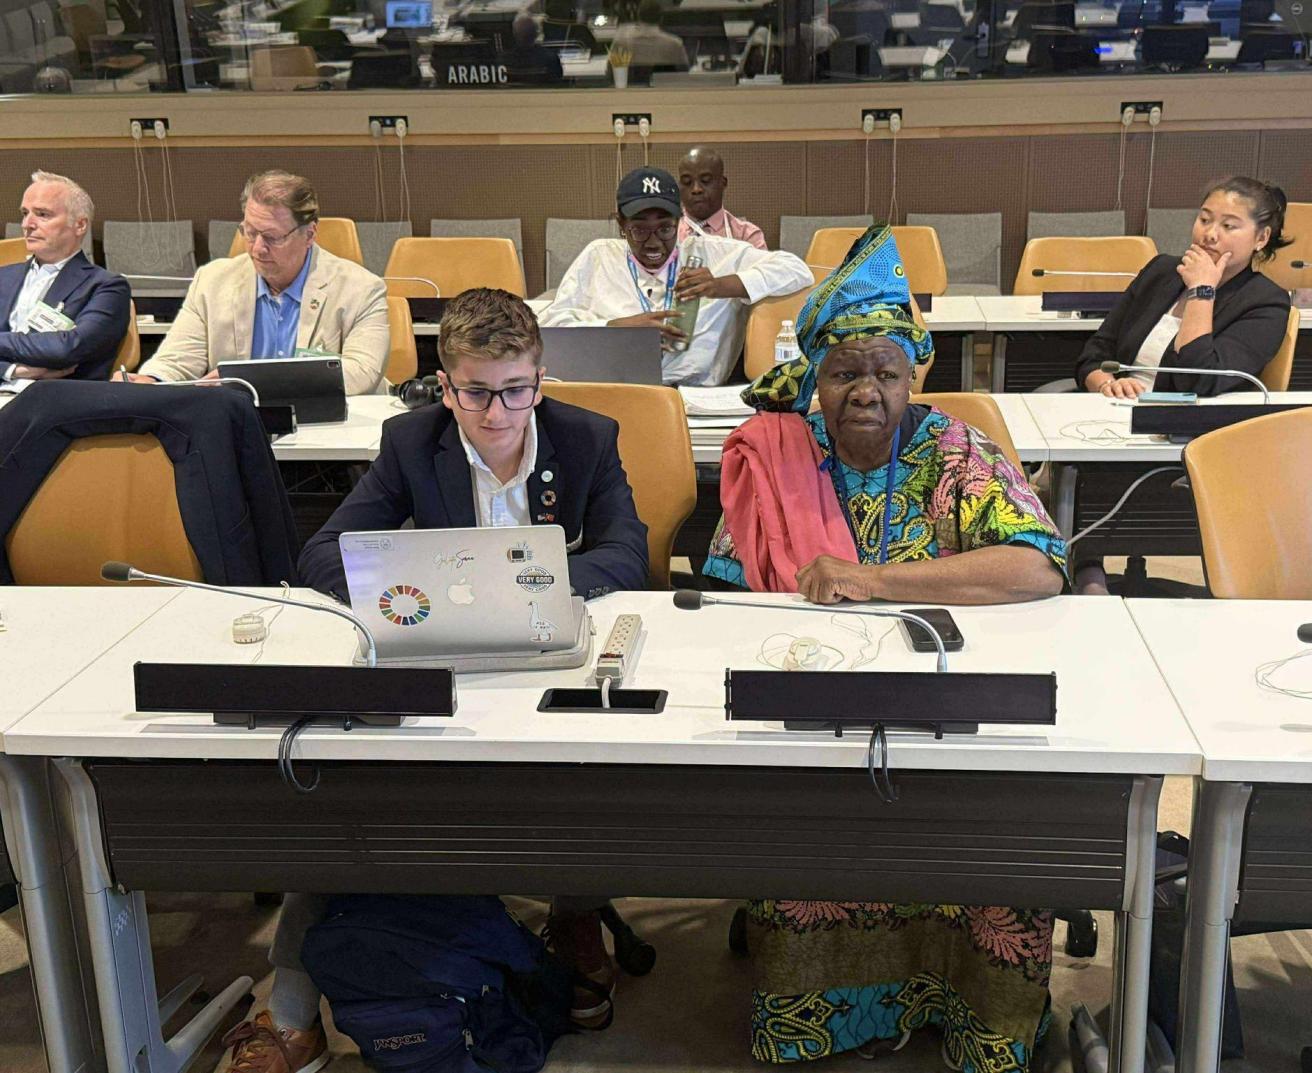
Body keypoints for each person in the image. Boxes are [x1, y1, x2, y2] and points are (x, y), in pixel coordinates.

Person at [216, 290, 648, 1073]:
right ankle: (288, 1011)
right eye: (476, 392)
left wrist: (528, 583)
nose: (497, 411)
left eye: (516, 389)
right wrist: (398, 585)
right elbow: (324, 553)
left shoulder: (589, 437)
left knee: (594, 773)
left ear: (540, 379)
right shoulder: (412, 442)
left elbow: (628, 551)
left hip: (556, 651)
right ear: (445, 387)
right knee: (336, 794)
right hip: (441, 654)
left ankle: (575, 911)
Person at [703, 227, 1066, 1072]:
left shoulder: (951, 447)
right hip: (811, 706)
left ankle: (974, 1017)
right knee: (809, 823)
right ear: (815, 380)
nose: (866, 391)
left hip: (947, 705)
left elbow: (1037, 567)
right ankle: (821, 1016)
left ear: (912, 379)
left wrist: (873, 577)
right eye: (844, 373)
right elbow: (724, 591)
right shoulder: (778, 456)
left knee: (1000, 828)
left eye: (885, 373)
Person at [540, 165, 812, 385]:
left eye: (665, 229)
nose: (654, 242)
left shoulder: (715, 254)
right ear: (621, 224)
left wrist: (724, 285)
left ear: (679, 222)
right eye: (639, 230)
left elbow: (797, 269)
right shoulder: (599, 256)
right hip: (618, 391)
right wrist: (617, 330)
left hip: (697, 397)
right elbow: (551, 328)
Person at [123, 170, 389, 394]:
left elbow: (361, 373)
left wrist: (253, 381)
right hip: (239, 432)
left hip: (329, 436)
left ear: (309, 234)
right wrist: (151, 381)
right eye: (250, 233)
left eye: (272, 237)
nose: (257, 249)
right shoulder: (212, 281)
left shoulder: (362, 288)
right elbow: (178, 359)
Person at [1076, 176, 1292, 399]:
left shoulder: (1266, 302)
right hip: (1114, 408)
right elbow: (1097, 350)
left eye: (1228, 226)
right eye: (1205, 219)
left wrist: (1202, 289)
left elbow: (1199, 381)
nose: (1209, 234)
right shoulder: (1161, 271)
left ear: (1261, 238)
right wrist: (1107, 385)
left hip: (1186, 424)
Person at [0, 171, 129, 384]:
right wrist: (13, 370)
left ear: (80, 225)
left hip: (56, 402)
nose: (27, 224)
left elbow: (68, 348)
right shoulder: (3, 277)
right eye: (25, 213)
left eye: (42, 214)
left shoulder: (105, 286)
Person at [676, 146, 768, 249]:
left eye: (705, 180)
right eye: (687, 182)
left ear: (723, 183)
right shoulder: (666, 234)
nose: (696, 189)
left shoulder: (748, 237)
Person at [609, 0, 688, 70]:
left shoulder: (621, 43)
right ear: (661, 18)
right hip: (665, 85)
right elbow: (684, 72)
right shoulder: (675, 44)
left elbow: (612, 71)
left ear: (639, 16)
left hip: (631, 86)